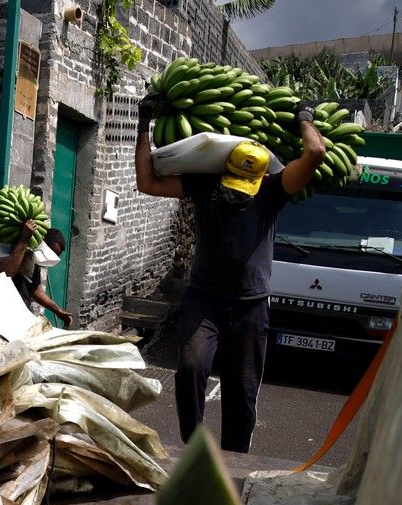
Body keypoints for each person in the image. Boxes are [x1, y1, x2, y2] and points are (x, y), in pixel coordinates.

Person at [134, 93, 326, 453]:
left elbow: (315, 153)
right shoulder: (207, 186)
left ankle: (234, 463)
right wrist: (143, 123)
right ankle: (194, 452)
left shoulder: (274, 189)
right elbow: (148, 182)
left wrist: (304, 117)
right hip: (205, 298)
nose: (238, 196)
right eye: (233, 188)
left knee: (243, 392)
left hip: (251, 305)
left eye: (245, 191)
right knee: (191, 368)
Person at [0, 220, 74, 328]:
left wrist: (57, 311)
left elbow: (35, 289)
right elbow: (7, 275)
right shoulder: (11, 249)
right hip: (2, 313)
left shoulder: (34, 259)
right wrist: (24, 238)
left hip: (20, 314)